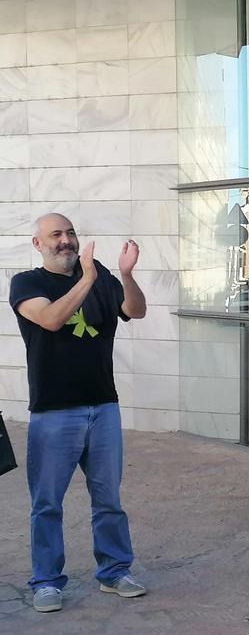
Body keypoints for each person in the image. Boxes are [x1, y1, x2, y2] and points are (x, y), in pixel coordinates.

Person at [9, 214, 149, 614]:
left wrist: (125, 275)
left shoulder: (101, 274)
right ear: (38, 244)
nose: (66, 241)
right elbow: (51, 319)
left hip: (103, 405)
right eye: (56, 235)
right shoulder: (27, 283)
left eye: (70, 233)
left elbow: (134, 310)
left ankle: (115, 571)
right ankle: (47, 581)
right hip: (54, 411)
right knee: (47, 503)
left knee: (108, 498)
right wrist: (86, 279)